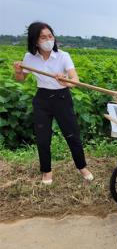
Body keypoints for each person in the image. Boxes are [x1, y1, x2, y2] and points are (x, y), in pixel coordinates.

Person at [13, 22, 93, 185]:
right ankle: (47, 171)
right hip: (42, 99)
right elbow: (21, 79)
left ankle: (82, 167)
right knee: (43, 138)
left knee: (72, 135)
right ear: (35, 41)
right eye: (43, 37)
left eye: (50, 36)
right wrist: (18, 71)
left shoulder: (64, 56)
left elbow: (75, 80)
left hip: (62, 97)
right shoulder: (30, 57)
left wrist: (66, 82)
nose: (48, 39)